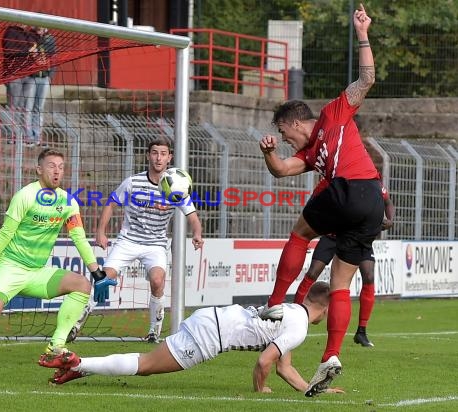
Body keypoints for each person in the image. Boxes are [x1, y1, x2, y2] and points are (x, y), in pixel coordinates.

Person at [257, 4, 382, 397]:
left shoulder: (334, 111)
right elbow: (281, 170)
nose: (286, 138)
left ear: (295, 121)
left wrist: (362, 33)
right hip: (372, 203)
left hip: (349, 188)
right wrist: (268, 153)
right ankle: (331, 355)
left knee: (300, 232)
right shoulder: (311, 155)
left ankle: (276, 303)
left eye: (284, 132)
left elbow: (367, 77)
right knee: (341, 284)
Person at [0, 148, 117, 364]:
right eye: (51, 166)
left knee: (82, 285)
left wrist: (97, 273)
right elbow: (5, 233)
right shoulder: (25, 196)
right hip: (9, 267)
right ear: (39, 169)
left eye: (61, 167)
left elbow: (79, 238)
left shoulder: (68, 203)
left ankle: (56, 346)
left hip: (37, 272)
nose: (57, 171)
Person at [40, 282, 343, 396]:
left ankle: (77, 369)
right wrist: (259, 389)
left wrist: (313, 390)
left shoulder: (291, 309)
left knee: (145, 363)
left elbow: (283, 367)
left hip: (209, 317)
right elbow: (265, 362)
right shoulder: (300, 327)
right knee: (144, 365)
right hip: (210, 336)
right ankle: (79, 363)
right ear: (326, 309)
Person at [95, 137, 204, 343]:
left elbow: (193, 217)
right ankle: (76, 323)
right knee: (103, 278)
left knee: (157, 280)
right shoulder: (133, 182)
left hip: (155, 244)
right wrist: (101, 231)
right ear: (148, 155)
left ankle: (154, 330)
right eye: (154, 153)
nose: (158, 157)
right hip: (128, 241)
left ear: (169, 157)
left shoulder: (177, 186)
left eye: (163, 153)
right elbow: (111, 203)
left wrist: (197, 233)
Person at [293, 179, 395, 347]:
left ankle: (361, 331)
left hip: (355, 238)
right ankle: (295, 318)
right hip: (332, 236)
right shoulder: (335, 179)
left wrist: (390, 220)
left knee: (368, 276)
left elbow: (388, 202)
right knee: (312, 272)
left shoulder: (374, 183)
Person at [24, 27, 56, 147]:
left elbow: (53, 59)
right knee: (28, 107)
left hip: (44, 78)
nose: (40, 29)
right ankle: (28, 136)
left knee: (39, 108)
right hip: (32, 78)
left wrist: (50, 75)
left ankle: (37, 136)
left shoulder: (50, 40)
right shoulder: (29, 37)